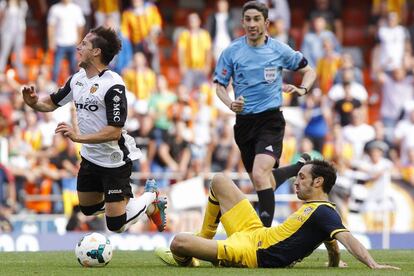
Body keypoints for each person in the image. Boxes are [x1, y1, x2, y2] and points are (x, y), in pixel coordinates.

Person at [21, 26, 166, 233]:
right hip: (90, 159)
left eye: (84, 44)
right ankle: (124, 202)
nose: (78, 47)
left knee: (116, 225)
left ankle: (151, 198)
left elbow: (114, 132)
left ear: (96, 52)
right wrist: (33, 103)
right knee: (88, 208)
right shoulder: (77, 79)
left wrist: (79, 137)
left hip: (114, 160)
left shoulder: (113, 85)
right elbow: (51, 103)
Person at [156, 160, 400, 270]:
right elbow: (333, 246)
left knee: (178, 242)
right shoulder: (320, 214)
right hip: (255, 232)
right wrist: (333, 264)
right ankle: (203, 239)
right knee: (219, 180)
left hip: (252, 253)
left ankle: (189, 256)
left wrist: (373, 264)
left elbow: (346, 239)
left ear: (318, 181)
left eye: (302, 177)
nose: (296, 181)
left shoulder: (324, 213)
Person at [214, 1, 317, 227]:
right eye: (248, 19)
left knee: (261, 175)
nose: (252, 24)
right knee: (264, 180)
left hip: (270, 121)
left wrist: (303, 89)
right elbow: (220, 86)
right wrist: (231, 104)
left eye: (256, 19)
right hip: (243, 123)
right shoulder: (232, 52)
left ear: (266, 22)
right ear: (242, 22)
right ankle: (296, 167)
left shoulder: (279, 50)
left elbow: (309, 71)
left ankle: (263, 236)